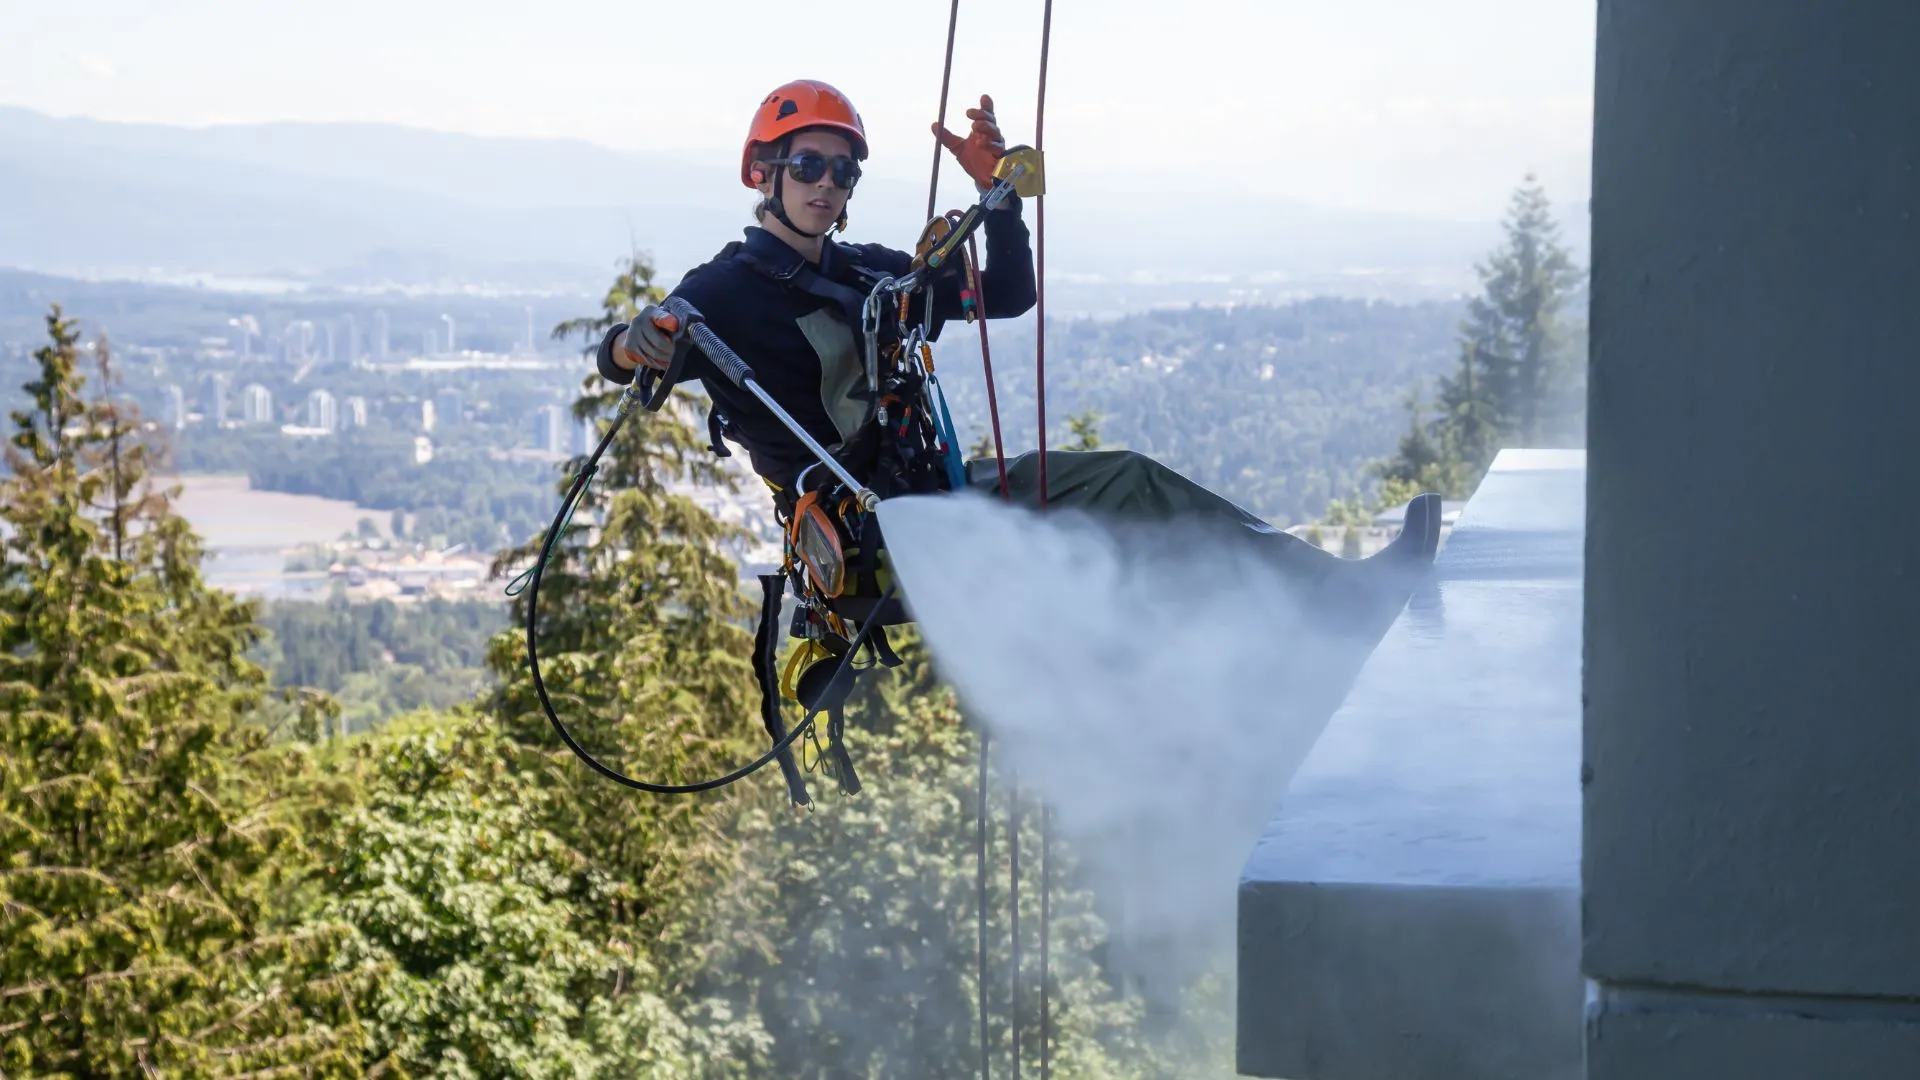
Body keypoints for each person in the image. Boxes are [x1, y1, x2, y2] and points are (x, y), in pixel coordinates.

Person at [592, 78, 1400, 594]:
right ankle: (1326, 601)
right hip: (866, 538)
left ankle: (1316, 594)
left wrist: (999, 200)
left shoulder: (875, 273)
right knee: (1119, 501)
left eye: (844, 172)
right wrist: (640, 341)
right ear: (765, 171)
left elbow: (1009, 296)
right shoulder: (722, 292)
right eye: (807, 165)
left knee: (1128, 484)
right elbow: (623, 358)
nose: (827, 185)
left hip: (932, 499)